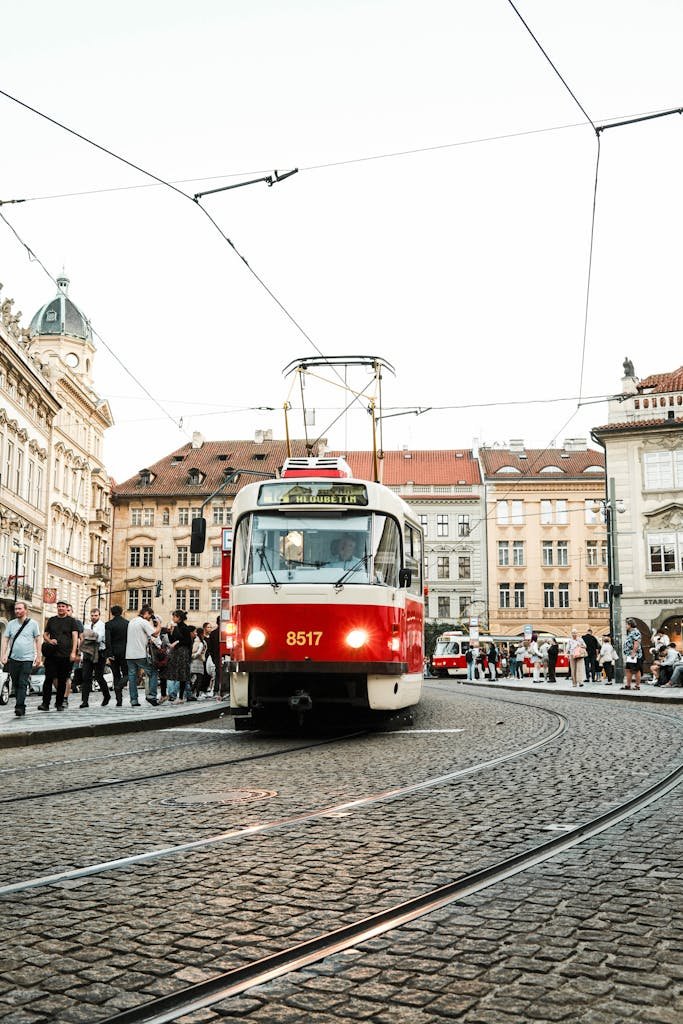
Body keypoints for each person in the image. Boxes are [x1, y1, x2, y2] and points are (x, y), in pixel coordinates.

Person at [1, 600, 41, 717]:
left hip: (27, 659)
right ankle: (20, 705)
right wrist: (3, 655)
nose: (17, 611)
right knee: (16, 683)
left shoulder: (33, 624)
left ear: (25, 610)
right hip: (13, 658)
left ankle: (20, 707)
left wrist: (38, 656)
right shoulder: (11, 624)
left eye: (19, 609)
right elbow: (5, 639)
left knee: (23, 682)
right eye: (16, 609)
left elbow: (38, 640)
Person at [41, 600, 79, 710]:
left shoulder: (72, 621)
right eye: (59, 606)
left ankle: (59, 703)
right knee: (48, 679)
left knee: (62, 680)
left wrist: (73, 652)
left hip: (65, 655)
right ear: (57, 608)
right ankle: (45, 704)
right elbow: (45, 634)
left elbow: (75, 637)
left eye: (63, 606)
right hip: (52, 655)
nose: (61, 608)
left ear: (66, 608)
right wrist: (49, 640)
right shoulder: (52, 620)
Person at [125, 605, 161, 706]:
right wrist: (159, 624)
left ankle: (134, 700)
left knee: (132, 677)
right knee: (153, 672)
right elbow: (155, 634)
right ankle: (152, 696)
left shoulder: (132, 621)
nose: (150, 618)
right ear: (146, 613)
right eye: (150, 616)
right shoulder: (143, 622)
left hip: (129, 654)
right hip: (140, 654)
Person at [79, 608, 111, 708]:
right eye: (92, 615)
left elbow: (99, 638)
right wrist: (90, 636)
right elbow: (84, 639)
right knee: (86, 677)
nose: (93, 617)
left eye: (95, 615)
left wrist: (89, 636)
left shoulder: (102, 625)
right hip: (88, 653)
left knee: (98, 676)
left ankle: (106, 695)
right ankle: (85, 701)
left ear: (99, 615)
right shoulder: (87, 625)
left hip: (99, 653)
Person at [166, 609, 192, 702]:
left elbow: (187, 641)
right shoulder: (176, 627)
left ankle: (180, 697)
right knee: (178, 674)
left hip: (182, 652)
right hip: (177, 652)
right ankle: (177, 696)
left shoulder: (184, 627)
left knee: (182, 675)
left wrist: (177, 643)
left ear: (179, 618)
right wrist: (169, 632)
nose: (173, 618)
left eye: (174, 616)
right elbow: (172, 640)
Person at [105, 605, 129, 707]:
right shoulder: (127, 623)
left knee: (116, 675)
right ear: (122, 612)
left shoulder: (109, 624)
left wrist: (109, 654)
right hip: (125, 652)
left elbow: (108, 640)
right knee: (127, 673)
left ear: (111, 613)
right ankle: (120, 686)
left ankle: (119, 700)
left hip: (114, 652)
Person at [622, 617, 643, 690]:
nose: (625, 626)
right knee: (628, 669)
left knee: (636, 670)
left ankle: (637, 686)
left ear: (630, 625)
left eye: (626, 624)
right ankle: (628, 685)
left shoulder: (635, 632)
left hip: (635, 655)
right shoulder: (631, 632)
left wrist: (633, 653)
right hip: (629, 655)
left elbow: (636, 643)